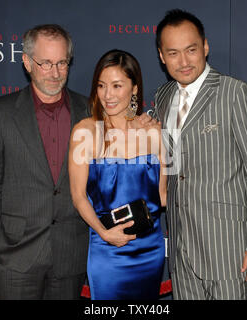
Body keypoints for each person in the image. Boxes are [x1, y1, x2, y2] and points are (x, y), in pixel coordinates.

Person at [154, 9, 247, 300]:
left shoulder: (235, 94)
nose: (183, 62)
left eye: (191, 50)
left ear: (206, 47)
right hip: (181, 249)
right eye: (173, 53)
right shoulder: (162, 97)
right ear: (162, 56)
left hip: (229, 249)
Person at [0, 24, 90, 299]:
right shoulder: (0, 113)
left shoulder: (88, 109)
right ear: (27, 62)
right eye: (46, 63)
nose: (55, 72)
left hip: (70, 254)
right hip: (16, 255)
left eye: (62, 62)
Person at [69, 49, 166, 300]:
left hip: (150, 249)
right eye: (101, 86)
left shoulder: (155, 133)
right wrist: (104, 233)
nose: (107, 95)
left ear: (134, 89)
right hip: (106, 247)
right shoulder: (85, 132)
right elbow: (79, 196)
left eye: (116, 85)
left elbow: (165, 196)